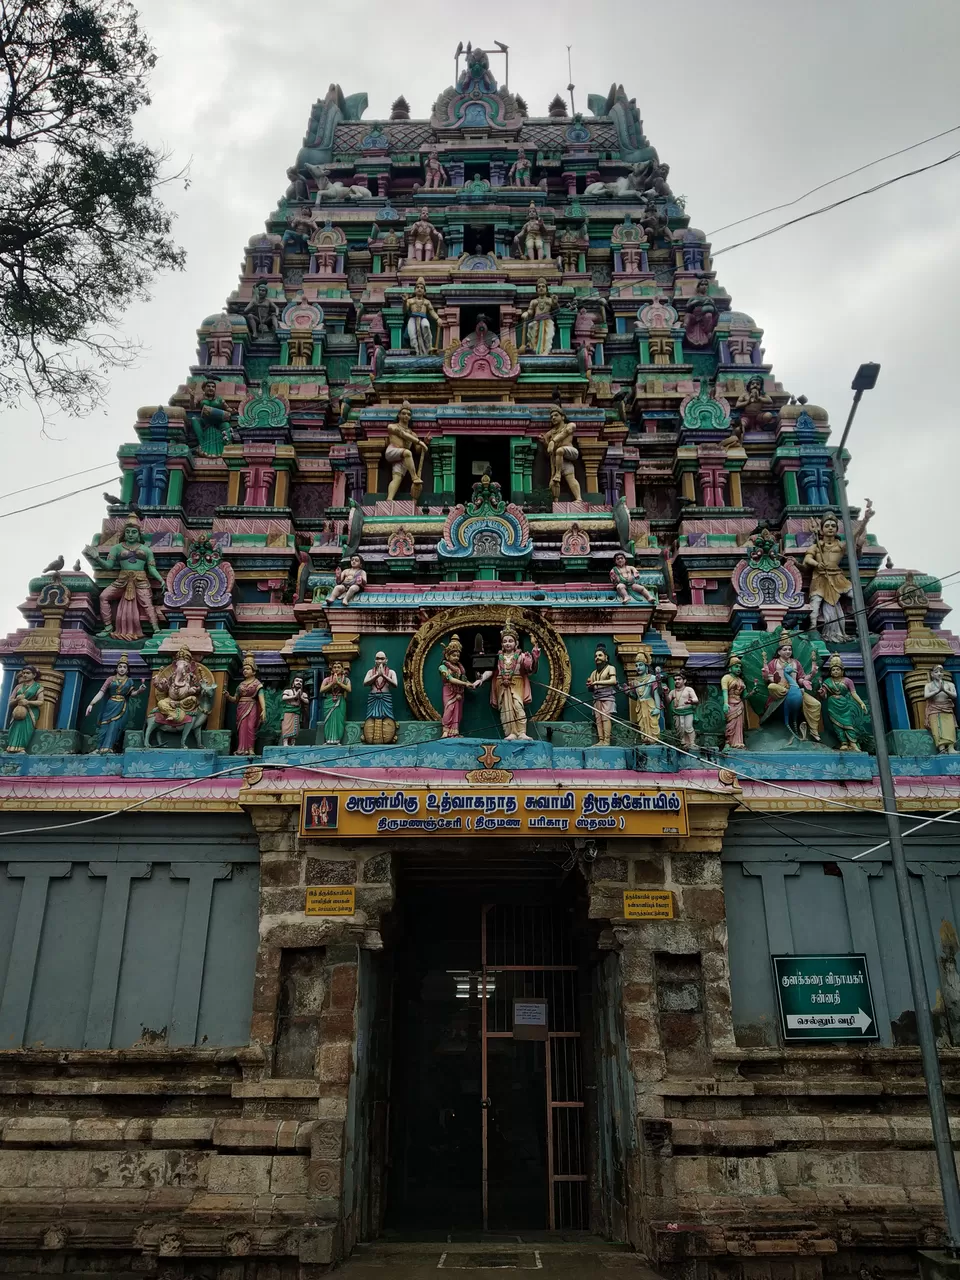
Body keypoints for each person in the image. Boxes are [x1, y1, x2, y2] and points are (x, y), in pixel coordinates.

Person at [86, 513, 166, 640]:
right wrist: (97, 558)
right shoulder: (116, 548)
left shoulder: (146, 550)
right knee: (103, 597)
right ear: (124, 533)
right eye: (128, 531)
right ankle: (107, 627)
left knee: (147, 603)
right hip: (122, 579)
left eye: (134, 532)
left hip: (140, 579)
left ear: (139, 534)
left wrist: (161, 580)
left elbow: (151, 568)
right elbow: (108, 566)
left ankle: (155, 628)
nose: (130, 534)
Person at [477, 621, 540, 741]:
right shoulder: (499, 657)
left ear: (516, 643)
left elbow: (530, 668)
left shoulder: (521, 656)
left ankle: (522, 732)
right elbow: (490, 671)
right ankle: (510, 732)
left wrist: (534, 655)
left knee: (518, 706)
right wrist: (480, 680)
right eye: (505, 641)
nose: (507, 644)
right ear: (501, 644)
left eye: (510, 641)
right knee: (505, 710)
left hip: (516, 683)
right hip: (501, 685)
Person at [803, 514, 853, 642]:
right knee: (815, 601)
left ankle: (861, 625)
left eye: (833, 526)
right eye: (827, 526)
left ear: (837, 529)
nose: (830, 528)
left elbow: (854, 538)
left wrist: (865, 520)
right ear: (821, 530)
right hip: (820, 576)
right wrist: (817, 564)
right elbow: (807, 559)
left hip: (837, 575)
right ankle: (812, 627)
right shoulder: (815, 546)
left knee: (856, 596)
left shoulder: (840, 546)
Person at [86, 655, 146, 754]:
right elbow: (101, 692)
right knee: (104, 726)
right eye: (120, 667)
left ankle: (108, 747)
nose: (122, 669)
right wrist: (91, 704)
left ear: (127, 670)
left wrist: (140, 690)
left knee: (114, 727)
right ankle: (98, 747)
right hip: (110, 705)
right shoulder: (110, 679)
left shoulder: (129, 681)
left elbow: (132, 694)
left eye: (124, 667)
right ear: (116, 668)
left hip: (121, 706)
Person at [820, 654, 869, 752]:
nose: (835, 671)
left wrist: (861, 703)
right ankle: (844, 743)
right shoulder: (828, 681)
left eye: (837, 669)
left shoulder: (848, 681)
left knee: (848, 724)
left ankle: (853, 744)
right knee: (836, 725)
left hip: (844, 705)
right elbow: (824, 696)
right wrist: (822, 692)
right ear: (830, 672)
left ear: (842, 671)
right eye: (833, 670)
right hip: (832, 704)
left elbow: (853, 693)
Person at [438, 635, 481, 738]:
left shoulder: (459, 668)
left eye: (458, 655)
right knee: (449, 710)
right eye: (454, 655)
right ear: (447, 656)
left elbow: (463, 679)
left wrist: (470, 684)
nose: (456, 657)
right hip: (449, 691)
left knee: (458, 712)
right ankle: (445, 731)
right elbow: (450, 679)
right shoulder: (443, 667)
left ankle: (454, 732)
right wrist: (465, 684)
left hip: (459, 693)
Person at [384, 402, 427, 501]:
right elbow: (402, 434)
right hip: (392, 451)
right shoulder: (392, 426)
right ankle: (415, 478)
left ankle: (389, 499)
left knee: (397, 478)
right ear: (399, 415)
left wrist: (425, 443)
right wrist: (420, 442)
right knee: (407, 452)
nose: (406, 416)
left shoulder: (413, 434)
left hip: (402, 458)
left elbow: (417, 450)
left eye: (408, 414)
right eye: (403, 413)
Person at [225, 654, 266, 755]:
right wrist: (228, 696)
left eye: (248, 668)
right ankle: (241, 749)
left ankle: (251, 749)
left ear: (254, 671)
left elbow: (261, 697)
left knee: (250, 726)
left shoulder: (257, 684)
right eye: (244, 669)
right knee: (242, 727)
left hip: (252, 706)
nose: (245, 671)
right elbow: (235, 699)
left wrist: (264, 709)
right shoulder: (241, 685)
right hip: (241, 706)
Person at [541, 408, 581, 502]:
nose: (553, 418)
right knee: (570, 477)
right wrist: (545, 441)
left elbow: (566, 432)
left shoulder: (570, 425)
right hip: (560, 459)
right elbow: (549, 448)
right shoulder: (552, 432)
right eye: (551, 417)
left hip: (571, 452)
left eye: (556, 415)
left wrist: (553, 441)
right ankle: (578, 498)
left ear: (562, 417)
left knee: (559, 450)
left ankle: (558, 474)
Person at [5, 666, 44, 754]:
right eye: (23, 673)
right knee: (14, 728)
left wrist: (28, 702)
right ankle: (11, 747)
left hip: (30, 712)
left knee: (26, 729)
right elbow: (10, 702)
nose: (25, 675)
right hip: (18, 711)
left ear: (34, 675)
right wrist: (17, 700)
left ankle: (21, 748)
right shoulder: (18, 686)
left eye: (28, 673)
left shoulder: (38, 687)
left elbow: (41, 702)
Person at [623, 655, 662, 744]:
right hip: (640, 705)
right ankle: (645, 739)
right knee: (642, 725)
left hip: (650, 704)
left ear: (646, 666)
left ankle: (654, 741)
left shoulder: (652, 678)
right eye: (636, 666)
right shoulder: (635, 681)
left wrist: (657, 708)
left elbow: (656, 693)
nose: (638, 667)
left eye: (640, 665)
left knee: (653, 725)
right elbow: (635, 697)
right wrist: (627, 692)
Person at [586, 646, 619, 746]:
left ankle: (607, 741)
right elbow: (591, 689)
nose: (597, 658)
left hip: (607, 696)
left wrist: (596, 682)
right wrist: (589, 685)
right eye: (596, 656)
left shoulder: (610, 668)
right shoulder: (593, 673)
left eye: (600, 655)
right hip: (597, 698)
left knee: (605, 717)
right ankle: (601, 740)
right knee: (598, 719)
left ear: (606, 657)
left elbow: (613, 681)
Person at [924, 665, 958, 754]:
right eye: (936, 672)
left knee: (950, 728)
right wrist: (938, 690)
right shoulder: (929, 685)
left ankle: (951, 748)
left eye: (941, 671)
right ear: (932, 674)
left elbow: (954, 695)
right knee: (938, 729)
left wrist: (945, 690)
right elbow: (926, 696)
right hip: (934, 709)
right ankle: (942, 749)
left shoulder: (949, 684)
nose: (939, 673)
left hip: (947, 708)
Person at [520, 277, 559, 354]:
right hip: (536, 322)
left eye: (543, 286)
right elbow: (530, 311)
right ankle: (535, 352)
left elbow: (556, 310)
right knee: (533, 338)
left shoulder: (550, 300)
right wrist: (526, 313)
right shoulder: (534, 301)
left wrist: (555, 303)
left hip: (547, 322)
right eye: (539, 287)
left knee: (548, 338)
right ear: (536, 289)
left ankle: (545, 353)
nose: (541, 288)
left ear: (546, 289)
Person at [404, 276, 439, 355]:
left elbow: (432, 311)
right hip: (413, 318)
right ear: (415, 290)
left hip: (423, 318)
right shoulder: (410, 300)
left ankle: (429, 347)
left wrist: (437, 319)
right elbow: (405, 311)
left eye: (422, 288)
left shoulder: (427, 302)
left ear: (424, 291)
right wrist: (404, 301)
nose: (419, 289)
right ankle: (416, 351)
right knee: (412, 335)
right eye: (417, 287)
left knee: (426, 326)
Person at [319, 662, 351, 745]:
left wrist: (339, 683)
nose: (336, 669)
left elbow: (349, 689)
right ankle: (328, 740)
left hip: (340, 700)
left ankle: (337, 740)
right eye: (335, 667)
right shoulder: (327, 679)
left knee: (339, 721)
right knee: (328, 720)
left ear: (342, 669)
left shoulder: (346, 679)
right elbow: (321, 690)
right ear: (332, 669)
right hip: (329, 700)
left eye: (339, 667)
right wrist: (332, 684)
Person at [721, 655, 747, 750]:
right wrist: (725, 703)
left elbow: (745, 696)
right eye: (736, 666)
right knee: (730, 725)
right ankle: (728, 743)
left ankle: (738, 743)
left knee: (739, 725)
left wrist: (753, 692)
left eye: (740, 667)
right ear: (730, 668)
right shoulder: (726, 678)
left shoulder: (740, 680)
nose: (738, 669)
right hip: (730, 704)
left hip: (739, 704)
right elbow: (724, 691)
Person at [667, 673, 698, 748]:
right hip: (677, 712)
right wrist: (665, 694)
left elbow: (696, 699)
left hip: (687, 711)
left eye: (679, 679)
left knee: (688, 727)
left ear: (684, 681)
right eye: (675, 680)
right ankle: (685, 743)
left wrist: (691, 701)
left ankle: (692, 743)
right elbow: (667, 702)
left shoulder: (688, 689)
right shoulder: (672, 692)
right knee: (680, 728)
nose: (677, 681)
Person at [281, 675, 310, 746]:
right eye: (297, 681)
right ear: (293, 683)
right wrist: (294, 696)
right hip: (288, 711)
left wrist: (301, 697)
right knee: (286, 727)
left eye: (300, 681)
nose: (298, 683)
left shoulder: (303, 694)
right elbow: (284, 698)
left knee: (295, 728)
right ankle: (285, 742)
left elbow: (307, 702)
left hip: (296, 711)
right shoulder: (288, 691)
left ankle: (293, 743)